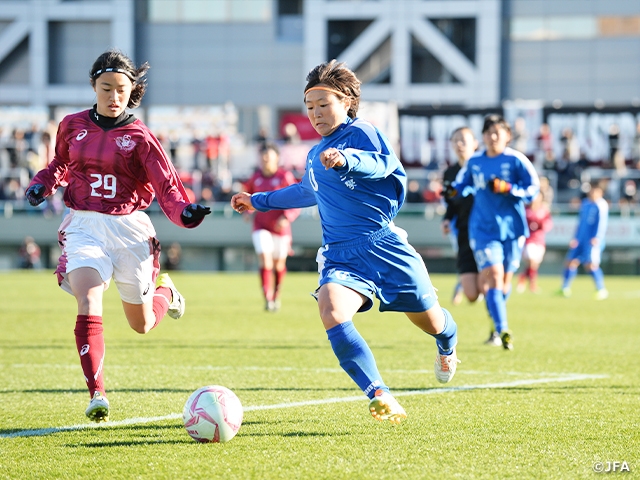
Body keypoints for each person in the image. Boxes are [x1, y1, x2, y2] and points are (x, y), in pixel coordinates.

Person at [231, 60, 459, 424]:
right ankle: (379, 393)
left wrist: (347, 160)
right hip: (341, 254)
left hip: (384, 247)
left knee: (432, 321)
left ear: (347, 102)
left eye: (324, 104)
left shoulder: (363, 133)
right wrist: (256, 200)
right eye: (310, 107)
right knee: (331, 308)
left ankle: (447, 343)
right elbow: (306, 191)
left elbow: (382, 165)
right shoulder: (312, 155)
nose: (316, 114)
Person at [24, 49, 211, 423]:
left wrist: (185, 213)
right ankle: (98, 394)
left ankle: (166, 293)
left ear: (132, 91)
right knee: (88, 298)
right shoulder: (72, 125)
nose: (113, 96)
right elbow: (59, 164)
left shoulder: (140, 137)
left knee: (140, 324)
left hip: (129, 229)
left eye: (121, 90)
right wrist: (41, 185)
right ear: (94, 85)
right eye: (106, 87)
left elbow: (167, 187)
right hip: (83, 225)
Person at [448, 114, 540, 350]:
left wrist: (509, 188)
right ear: (483, 137)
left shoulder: (517, 160)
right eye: (489, 132)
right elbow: (461, 184)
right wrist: (452, 191)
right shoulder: (475, 161)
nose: (493, 136)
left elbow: (533, 189)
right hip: (482, 230)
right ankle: (503, 329)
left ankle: (495, 326)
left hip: (512, 230)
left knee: (505, 283)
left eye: (498, 132)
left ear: (508, 136)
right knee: (494, 276)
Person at [243, 142, 300, 311]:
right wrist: (247, 211)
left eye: (269, 156)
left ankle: (276, 295)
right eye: (263, 156)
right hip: (261, 225)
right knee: (265, 260)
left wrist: (287, 216)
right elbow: (248, 196)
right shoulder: (256, 177)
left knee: (278, 265)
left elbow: (296, 199)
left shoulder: (284, 177)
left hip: (280, 228)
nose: (266, 159)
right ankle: (267, 297)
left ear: (277, 158)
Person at [441, 127, 484, 306]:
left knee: (491, 282)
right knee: (472, 294)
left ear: (475, 144)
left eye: (463, 140)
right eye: (455, 140)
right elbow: (451, 202)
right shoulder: (450, 174)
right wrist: (447, 218)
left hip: (485, 231)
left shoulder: (483, 167)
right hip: (464, 231)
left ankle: (497, 328)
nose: (459, 144)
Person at [559, 182, 609, 300]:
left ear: (600, 192)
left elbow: (602, 223)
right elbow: (580, 223)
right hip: (580, 239)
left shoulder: (601, 205)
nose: (592, 193)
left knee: (591, 265)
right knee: (570, 262)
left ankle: (601, 289)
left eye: (595, 191)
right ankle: (565, 288)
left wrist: (597, 237)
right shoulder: (585, 203)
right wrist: (575, 238)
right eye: (591, 190)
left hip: (592, 240)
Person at [517, 192, 553, 293]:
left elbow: (548, 224)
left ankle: (522, 278)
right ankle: (533, 285)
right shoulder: (525, 209)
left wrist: (543, 224)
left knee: (534, 264)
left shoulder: (544, 210)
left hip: (540, 240)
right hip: (528, 240)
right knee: (532, 261)